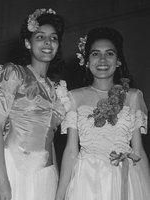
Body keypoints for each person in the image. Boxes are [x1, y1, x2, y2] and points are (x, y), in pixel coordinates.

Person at [0, 8, 69, 200]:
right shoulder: (15, 74)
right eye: (40, 37)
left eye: (53, 38)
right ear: (28, 43)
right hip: (12, 167)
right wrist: (0, 177)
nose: (48, 42)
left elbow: (50, 140)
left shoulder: (58, 90)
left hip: (45, 175)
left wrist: (55, 183)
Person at [56, 27, 150, 200]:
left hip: (125, 178)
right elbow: (71, 151)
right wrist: (59, 196)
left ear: (118, 61)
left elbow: (138, 151)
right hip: (86, 181)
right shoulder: (74, 97)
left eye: (109, 53)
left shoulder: (133, 96)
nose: (102, 60)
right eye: (95, 54)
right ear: (86, 60)